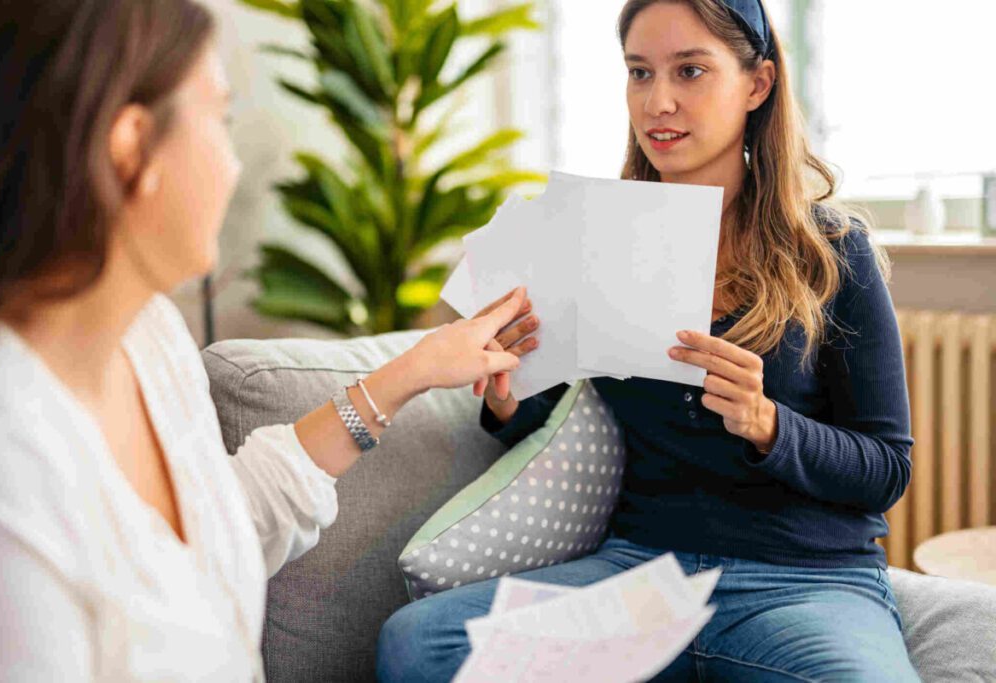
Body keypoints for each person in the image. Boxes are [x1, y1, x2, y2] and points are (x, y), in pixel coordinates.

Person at [0, 1, 541, 680]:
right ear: (131, 147)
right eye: (220, 118)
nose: (234, 163)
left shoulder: (149, 338)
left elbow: (224, 528)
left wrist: (414, 369)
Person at [377, 0, 920, 681]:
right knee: (417, 642)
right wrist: (507, 395)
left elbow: (886, 467)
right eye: (639, 72)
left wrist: (768, 424)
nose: (657, 102)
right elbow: (552, 411)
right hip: (644, 579)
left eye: (689, 71)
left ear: (757, 84)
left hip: (802, 581)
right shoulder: (596, 238)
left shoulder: (834, 251)